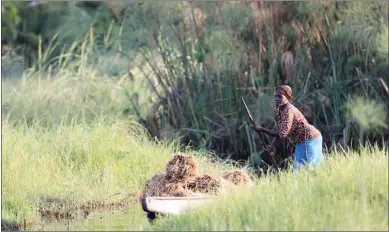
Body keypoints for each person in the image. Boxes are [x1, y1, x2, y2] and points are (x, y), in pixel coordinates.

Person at [252, 85, 324, 172]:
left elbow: (283, 133)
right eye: (276, 96)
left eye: (280, 96)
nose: (277, 98)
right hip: (300, 143)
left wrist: (262, 129)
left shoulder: (289, 111)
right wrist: (271, 145)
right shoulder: (279, 111)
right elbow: (279, 131)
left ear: (287, 98)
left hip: (310, 139)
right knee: (297, 171)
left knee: (311, 169)